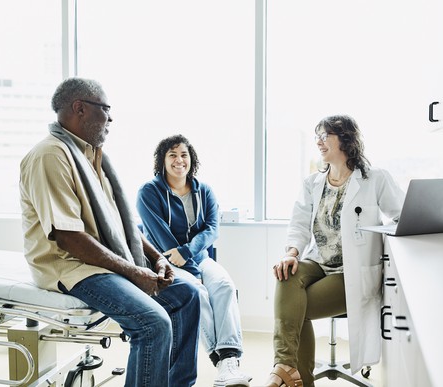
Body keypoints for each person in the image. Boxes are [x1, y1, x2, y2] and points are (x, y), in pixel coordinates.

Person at [19, 78, 201, 387]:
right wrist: (132, 271)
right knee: (152, 323)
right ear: (80, 109)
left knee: (188, 294)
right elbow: (68, 237)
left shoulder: (94, 158)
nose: (111, 118)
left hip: (101, 261)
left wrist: (158, 260)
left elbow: (122, 225)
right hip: (72, 267)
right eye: (105, 109)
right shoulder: (51, 156)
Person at [259, 115, 405, 387]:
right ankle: (286, 366)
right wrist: (292, 252)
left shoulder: (374, 179)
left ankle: (288, 372)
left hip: (351, 270)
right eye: (318, 136)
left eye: (325, 135)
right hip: (317, 261)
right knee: (285, 273)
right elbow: (300, 224)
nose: (319, 141)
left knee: (294, 310)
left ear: (346, 140)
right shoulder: (313, 183)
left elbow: (403, 216)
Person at [136, 134, 252, 387]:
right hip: (164, 263)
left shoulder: (204, 190)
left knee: (223, 286)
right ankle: (218, 357)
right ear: (162, 160)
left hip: (198, 258)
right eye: (173, 155)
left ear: (192, 159)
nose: (179, 160)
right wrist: (189, 267)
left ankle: (229, 360)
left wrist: (189, 254)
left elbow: (212, 229)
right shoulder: (149, 192)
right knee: (196, 292)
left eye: (184, 155)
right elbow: (160, 237)